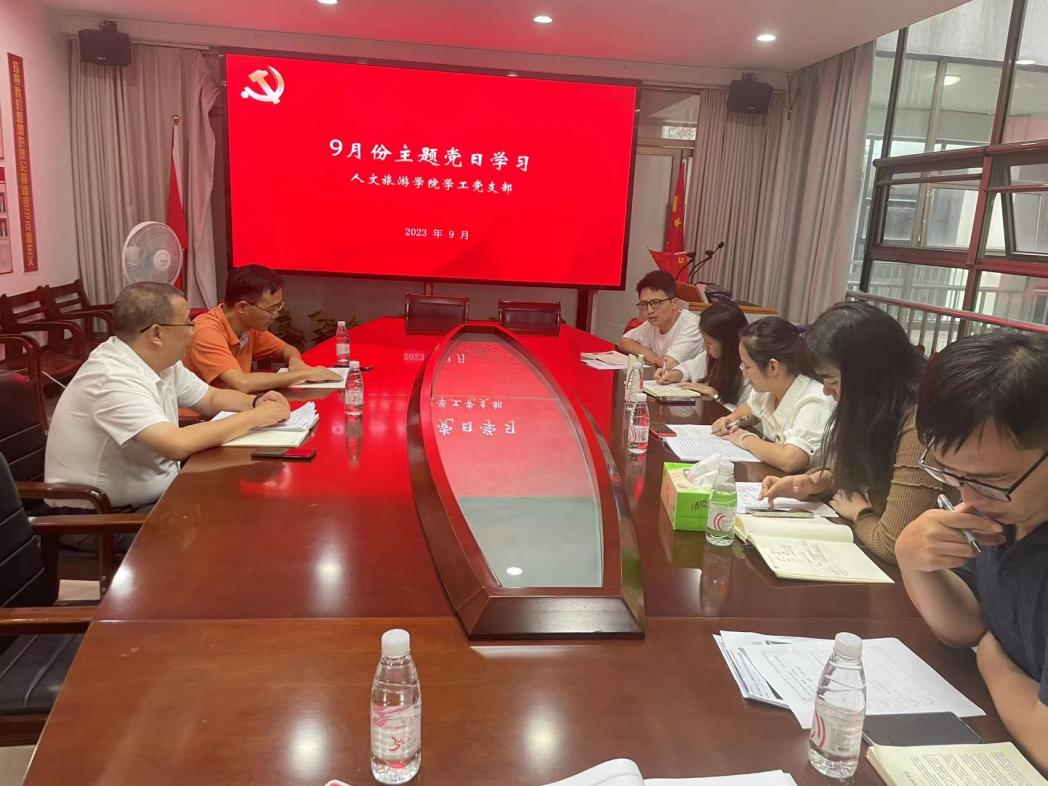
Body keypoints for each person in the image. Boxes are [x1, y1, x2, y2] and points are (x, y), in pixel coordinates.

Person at [894, 331, 1047, 769]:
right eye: (950, 474)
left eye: (990, 481)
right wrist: (913, 560)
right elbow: (963, 628)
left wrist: (993, 661)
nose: (969, 497)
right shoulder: (1006, 513)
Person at [44, 283, 291, 542]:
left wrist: (256, 402)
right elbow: (176, 444)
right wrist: (256, 417)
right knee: (230, 538)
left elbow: (210, 398)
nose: (193, 331)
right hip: (100, 520)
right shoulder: (112, 376)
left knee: (248, 513)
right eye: (187, 324)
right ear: (157, 333)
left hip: (155, 500)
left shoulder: (160, 361)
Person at [760, 302, 946, 563]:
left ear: (867, 375)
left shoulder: (920, 424)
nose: (827, 391)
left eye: (832, 381)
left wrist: (860, 512)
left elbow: (894, 545)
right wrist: (816, 483)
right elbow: (858, 472)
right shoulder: (875, 408)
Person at [184, 264, 341, 391]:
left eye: (278, 307)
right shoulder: (206, 332)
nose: (275, 315)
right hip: (201, 417)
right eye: (271, 309)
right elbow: (241, 383)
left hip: (235, 406)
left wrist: (295, 361)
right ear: (242, 307)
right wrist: (304, 375)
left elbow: (286, 349)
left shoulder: (248, 326)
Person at [710, 316, 834, 473]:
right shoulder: (769, 388)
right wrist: (732, 419)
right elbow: (750, 409)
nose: (743, 372)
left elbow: (790, 459)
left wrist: (744, 439)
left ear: (772, 367)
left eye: (747, 366)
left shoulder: (815, 400)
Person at [654, 302, 750, 407]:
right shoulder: (712, 357)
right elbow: (688, 368)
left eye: (709, 342)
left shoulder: (750, 368)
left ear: (728, 343)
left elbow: (747, 413)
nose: (705, 347)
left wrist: (714, 394)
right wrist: (675, 374)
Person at [619, 270, 702, 369]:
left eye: (656, 302)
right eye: (644, 304)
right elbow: (624, 342)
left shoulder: (693, 326)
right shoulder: (652, 325)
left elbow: (668, 365)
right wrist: (654, 358)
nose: (649, 310)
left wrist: (656, 360)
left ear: (674, 303)